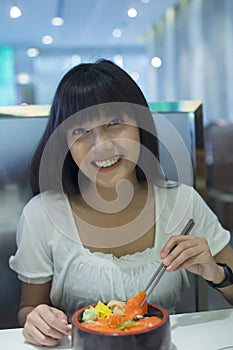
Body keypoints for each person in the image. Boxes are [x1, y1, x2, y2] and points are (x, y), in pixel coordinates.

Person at [9, 59, 233, 347]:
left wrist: (217, 273)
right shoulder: (42, 215)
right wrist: (36, 320)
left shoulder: (182, 202)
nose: (101, 145)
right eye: (80, 131)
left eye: (114, 123)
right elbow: (29, 309)